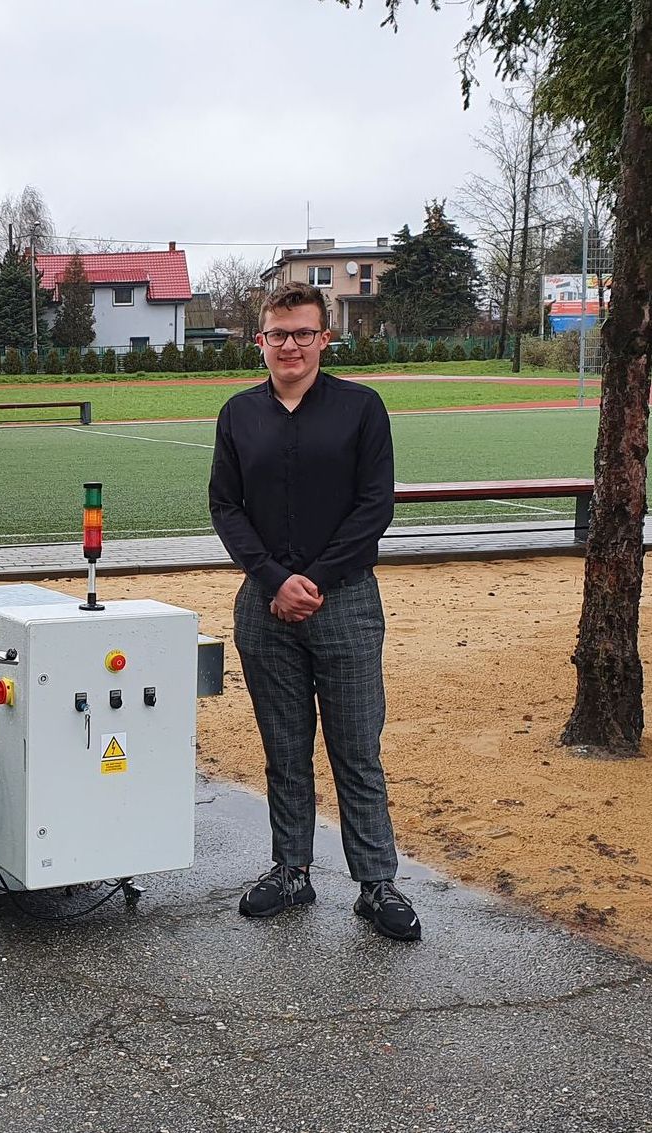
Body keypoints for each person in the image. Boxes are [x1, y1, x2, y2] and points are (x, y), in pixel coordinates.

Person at [208, 280, 421, 943]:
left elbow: (374, 505)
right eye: (278, 334)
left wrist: (314, 579)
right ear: (260, 341)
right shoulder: (238, 414)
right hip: (264, 606)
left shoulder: (361, 408)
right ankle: (291, 869)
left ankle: (375, 882)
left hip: (345, 600)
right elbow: (225, 506)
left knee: (356, 748)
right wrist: (274, 579)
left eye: (303, 333)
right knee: (284, 749)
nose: (290, 346)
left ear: (325, 338)